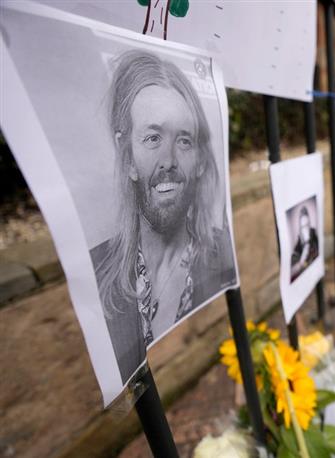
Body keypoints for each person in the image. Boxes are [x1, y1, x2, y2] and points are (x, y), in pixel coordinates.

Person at [91, 50, 237, 383]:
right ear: (127, 157)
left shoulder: (221, 253)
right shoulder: (95, 272)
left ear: (199, 161)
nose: (168, 160)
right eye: (153, 138)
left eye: (183, 140)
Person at [290, 206, 319, 282]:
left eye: (307, 225)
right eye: (303, 227)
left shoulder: (314, 237)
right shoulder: (298, 247)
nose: (305, 230)